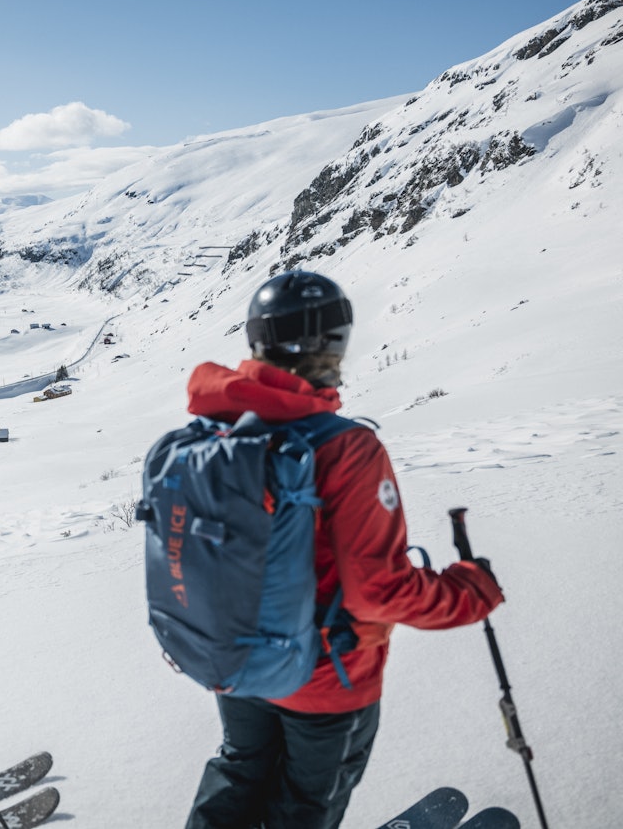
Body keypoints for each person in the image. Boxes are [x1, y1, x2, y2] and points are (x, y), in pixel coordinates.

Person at [182, 270, 505, 829]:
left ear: (257, 340)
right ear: (335, 344)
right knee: (303, 805)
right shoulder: (346, 449)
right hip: (324, 677)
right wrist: (470, 591)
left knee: (238, 771)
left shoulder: (211, 434)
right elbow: (380, 591)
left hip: (236, 662)